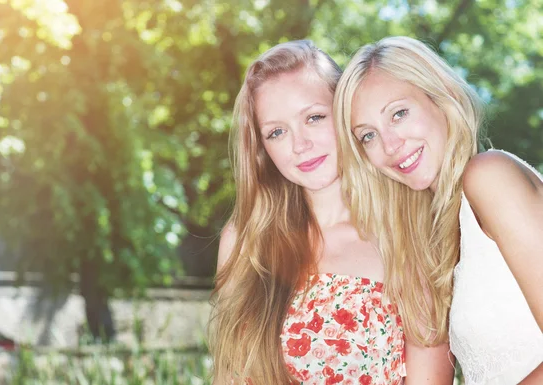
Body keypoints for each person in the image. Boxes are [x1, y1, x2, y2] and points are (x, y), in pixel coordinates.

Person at [208, 39, 453, 385]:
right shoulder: (245, 241)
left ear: (344, 113)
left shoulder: (407, 234)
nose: (299, 144)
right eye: (276, 132)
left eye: (314, 117)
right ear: (262, 149)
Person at [334, 35, 543, 384]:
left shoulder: (489, 176)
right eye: (368, 135)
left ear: (441, 97)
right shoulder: (444, 232)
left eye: (399, 114)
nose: (389, 145)